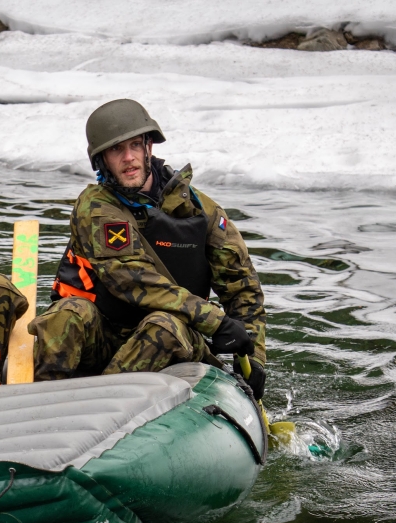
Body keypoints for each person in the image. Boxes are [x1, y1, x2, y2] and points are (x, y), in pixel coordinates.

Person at [30, 99, 267, 398]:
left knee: (163, 325)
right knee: (66, 314)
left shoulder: (201, 210)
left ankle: (105, 408)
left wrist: (254, 356)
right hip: (107, 333)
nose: (128, 158)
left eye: (135, 146)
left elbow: (242, 288)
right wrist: (216, 322)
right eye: (117, 150)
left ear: (148, 148)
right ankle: (45, 407)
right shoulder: (95, 208)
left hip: (174, 337)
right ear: (102, 159)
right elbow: (135, 280)